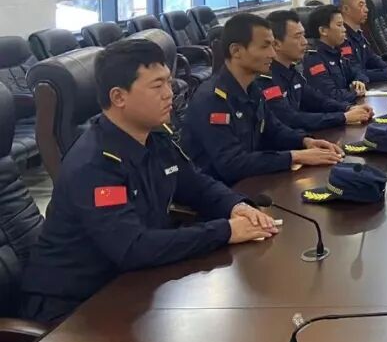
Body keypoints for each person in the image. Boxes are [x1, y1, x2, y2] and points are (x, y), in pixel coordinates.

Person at [19, 39, 280, 324]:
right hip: (74, 309)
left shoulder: (155, 136)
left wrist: (237, 207)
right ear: (119, 97)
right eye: (157, 86)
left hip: (132, 286)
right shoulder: (95, 164)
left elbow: (197, 185)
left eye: (168, 81)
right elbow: (133, 247)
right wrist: (225, 230)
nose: (170, 93)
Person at [183, 13, 341, 184]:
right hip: (222, 190)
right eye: (265, 46)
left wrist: (305, 141)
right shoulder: (212, 99)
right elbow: (232, 164)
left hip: (251, 181)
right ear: (236, 51)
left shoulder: (251, 88)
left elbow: (274, 130)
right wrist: (295, 156)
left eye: (272, 46)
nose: (273, 54)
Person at [254, 9, 374, 133]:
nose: (305, 42)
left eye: (304, 35)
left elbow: (317, 100)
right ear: (276, 44)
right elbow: (290, 119)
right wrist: (343, 117)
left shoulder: (292, 71)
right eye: (298, 36)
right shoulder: (266, 79)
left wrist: (348, 108)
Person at [302, 4, 369, 104]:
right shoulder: (314, 59)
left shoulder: (337, 52)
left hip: (348, 105)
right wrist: (355, 92)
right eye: (339, 25)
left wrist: (359, 82)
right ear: (323, 31)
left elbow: (357, 72)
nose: (344, 29)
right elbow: (330, 95)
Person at [339, 0, 387, 83]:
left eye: (365, 5)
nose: (366, 10)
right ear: (346, 9)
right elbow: (354, 73)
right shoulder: (341, 38)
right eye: (361, 5)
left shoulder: (358, 33)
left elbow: (372, 58)